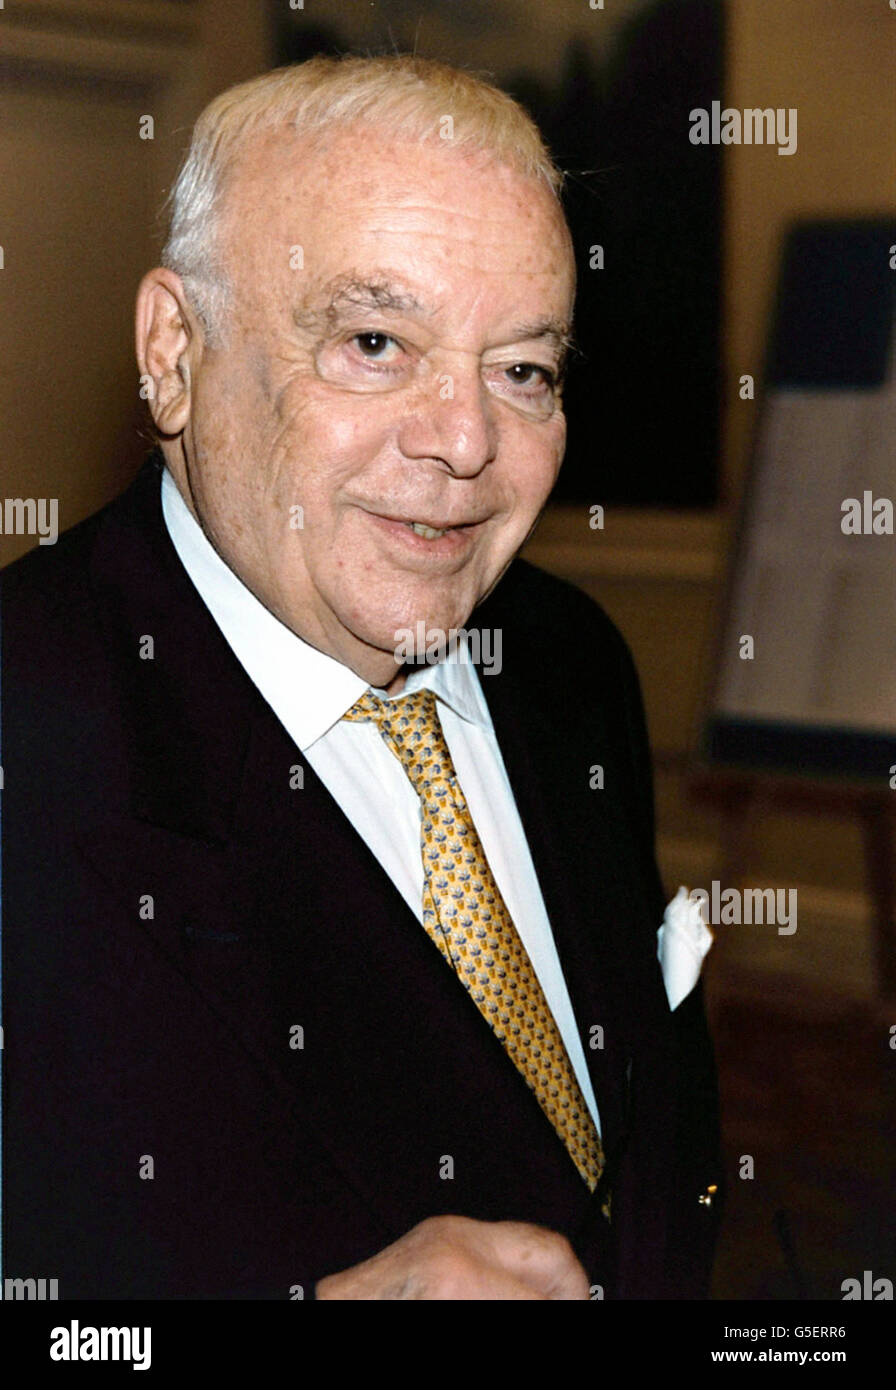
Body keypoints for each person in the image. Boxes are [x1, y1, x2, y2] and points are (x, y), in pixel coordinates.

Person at [1, 54, 720, 1300]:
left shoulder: (566, 661)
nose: (464, 440)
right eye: (376, 341)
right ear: (173, 350)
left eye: (523, 369)